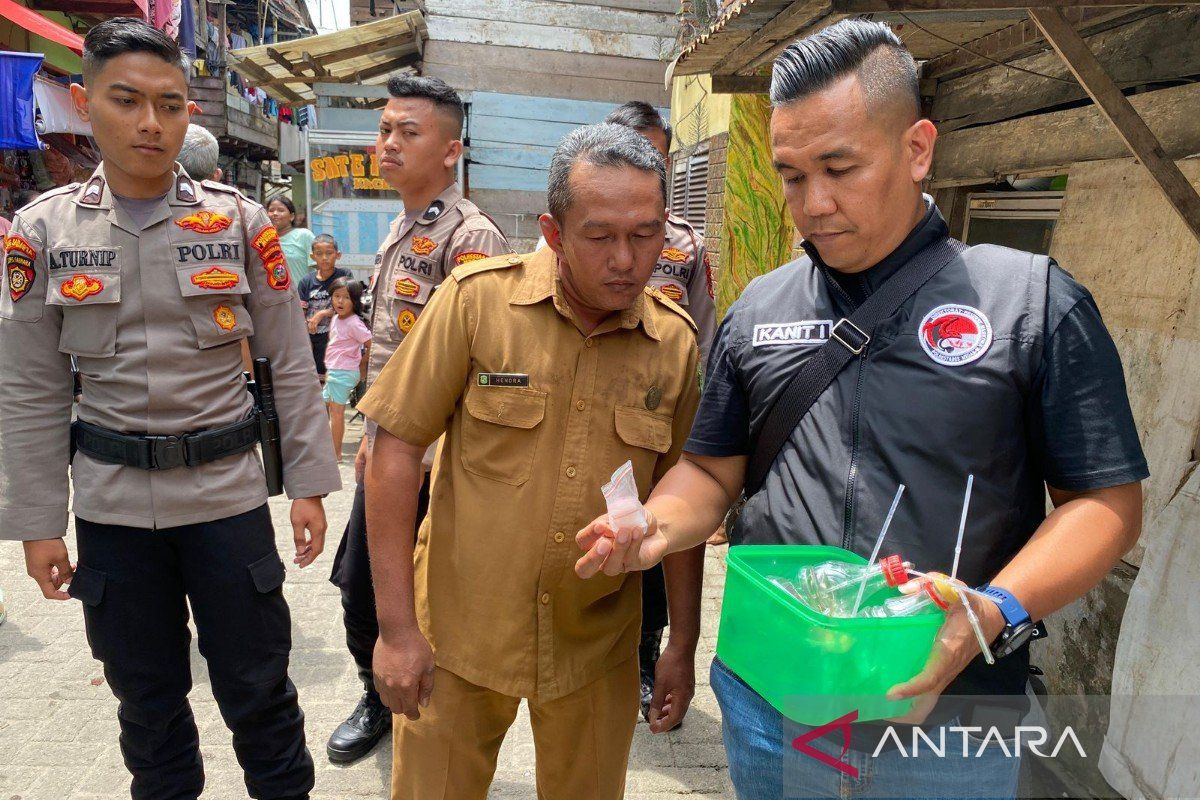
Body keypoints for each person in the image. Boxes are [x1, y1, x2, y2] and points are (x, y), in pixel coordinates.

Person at [574, 19, 1147, 800]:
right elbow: (711, 469)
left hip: (943, 717)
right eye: (790, 174)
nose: (813, 204)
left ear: (917, 149)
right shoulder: (759, 310)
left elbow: (1105, 504)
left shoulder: (1032, 303)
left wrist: (993, 609)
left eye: (839, 168)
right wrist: (653, 523)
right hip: (771, 699)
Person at [0, 18, 342, 800]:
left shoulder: (237, 221)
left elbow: (289, 360)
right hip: (115, 515)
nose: (151, 123)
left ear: (191, 112)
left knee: (261, 693)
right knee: (147, 704)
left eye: (171, 104)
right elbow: (28, 387)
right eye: (127, 101)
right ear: (85, 104)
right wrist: (37, 523)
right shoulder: (43, 230)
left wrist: (311, 488)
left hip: (227, 501)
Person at [358, 122, 704, 800]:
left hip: (595, 643)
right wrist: (396, 631)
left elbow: (687, 496)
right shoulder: (477, 303)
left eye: (646, 235)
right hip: (459, 634)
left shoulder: (675, 346)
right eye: (600, 236)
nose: (627, 260)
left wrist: (682, 646)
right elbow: (391, 453)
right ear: (553, 231)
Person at [324, 74, 512, 765]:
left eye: (409, 132)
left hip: (433, 467)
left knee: (421, 602)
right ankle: (380, 698)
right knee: (362, 592)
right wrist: (374, 442)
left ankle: (427, 722)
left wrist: (420, 456)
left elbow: (479, 365)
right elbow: (389, 357)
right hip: (388, 452)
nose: (388, 144)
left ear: (452, 150)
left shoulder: (472, 236)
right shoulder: (403, 227)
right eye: (383, 130)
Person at [604, 99, 718, 722]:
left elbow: (702, 336)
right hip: (594, 406)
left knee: (656, 540)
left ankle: (647, 660)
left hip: (656, 416)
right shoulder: (584, 225)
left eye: (655, 152)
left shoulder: (686, 246)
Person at [323, 276, 371, 461]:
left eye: (346, 297)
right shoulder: (336, 318)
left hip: (343, 372)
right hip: (335, 371)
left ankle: (336, 454)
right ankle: (330, 449)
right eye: (336, 296)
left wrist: (361, 365)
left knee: (336, 413)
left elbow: (370, 344)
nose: (340, 301)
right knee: (323, 408)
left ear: (355, 301)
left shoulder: (353, 323)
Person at [297, 233, 352, 380]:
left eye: (329, 253)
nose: (324, 258)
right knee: (316, 376)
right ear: (312, 256)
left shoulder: (344, 276)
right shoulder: (306, 281)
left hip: (338, 334)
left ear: (338, 255)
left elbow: (348, 305)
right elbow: (301, 312)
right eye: (319, 254)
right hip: (313, 337)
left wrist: (321, 314)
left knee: (335, 376)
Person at [267, 195, 314, 281]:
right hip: (273, 294)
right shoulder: (263, 240)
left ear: (292, 216)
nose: (275, 214)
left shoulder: (304, 235)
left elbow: (320, 269)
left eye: (280, 210)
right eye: (271, 210)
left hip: (301, 293)